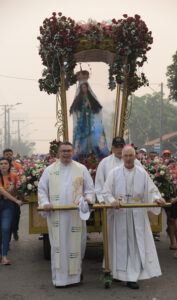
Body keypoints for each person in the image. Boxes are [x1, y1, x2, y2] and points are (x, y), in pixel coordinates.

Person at [103, 145, 166, 289]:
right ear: (122, 157)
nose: (129, 158)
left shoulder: (142, 173)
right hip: (120, 215)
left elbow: (151, 190)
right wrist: (113, 201)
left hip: (137, 214)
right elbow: (106, 192)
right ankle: (118, 274)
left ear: (135, 156)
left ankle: (132, 277)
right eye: (126, 156)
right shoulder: (114, 173)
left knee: (135, 246)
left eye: (131, 155)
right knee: (120, 244)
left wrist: (157, 198)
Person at [38, 142, 94, 287]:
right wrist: (45, 203)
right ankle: (60, 279)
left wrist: (88, 198)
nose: (66, 153)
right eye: (63, 151)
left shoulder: (81, 169)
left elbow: (90, 189)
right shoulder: (50, 170)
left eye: (69, 151)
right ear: (58, 153)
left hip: (75, 215)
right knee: (58, 246)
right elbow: (42, 190)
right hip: (57, 216)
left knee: (78, 245)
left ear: (73, 152)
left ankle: (76, 276)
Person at [70, 72, 109, 159]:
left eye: (85, 87)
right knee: (82, 141)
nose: (84, 89)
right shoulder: (78, 99)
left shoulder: (92, 98)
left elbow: (98, 109)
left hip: (92, 123)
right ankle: (82, 157)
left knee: (95, 139)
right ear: (80, 88)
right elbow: (75, 111)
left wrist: (90, 106)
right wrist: (84, 107)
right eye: (82, 87)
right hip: (82, 124)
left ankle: (97, 156)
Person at [0, 157, 23, 265]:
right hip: (3, 201)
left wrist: (24, 195)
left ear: (9, 165)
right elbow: (2, 191)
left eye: (5, 163)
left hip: (8, 206)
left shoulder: (14, 176)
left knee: (5, 228)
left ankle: (4, 256)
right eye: (1, 164)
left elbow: (18, 188)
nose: (3, 165)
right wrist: (16, 200)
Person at [3, 148, 22, 241]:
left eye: (10, 154)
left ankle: (15, 230)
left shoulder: (17, 165)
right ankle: (7, 238)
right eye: (6, 154)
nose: (8, 156)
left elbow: (22, 177)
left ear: (13, 155)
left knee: (16, 215)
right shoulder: (2, 166)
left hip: (15, 195)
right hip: (3, 196)